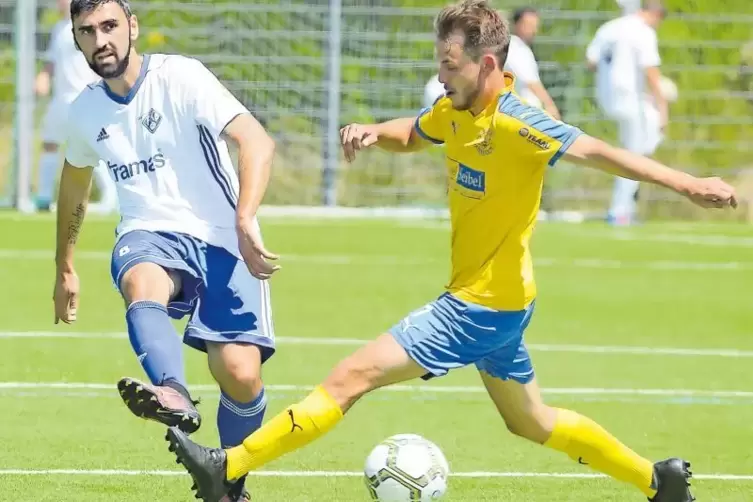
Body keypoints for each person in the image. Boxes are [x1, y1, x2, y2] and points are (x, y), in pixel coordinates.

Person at [165, 1, 736, 501]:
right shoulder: (454, 110)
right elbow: (415, 132)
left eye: (449, 64)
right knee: (531, 421)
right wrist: (370, 130)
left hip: (479, 304)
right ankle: (658, 483)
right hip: (504, 302)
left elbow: (604, 154)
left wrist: (690, 184)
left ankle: (227, 466)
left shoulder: (519, 124)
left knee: (350, 377)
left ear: (487, 64)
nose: (440, 75)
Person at [52, 1, 280, 500]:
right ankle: (172, 390)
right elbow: (74, 181)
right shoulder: (85, 110)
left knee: (240, 374)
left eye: (110, 26)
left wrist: (244, 219)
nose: (100, 40)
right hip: (147, 231)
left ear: (132, 27)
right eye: (87, 31)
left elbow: (256, 140)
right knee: (141, 279)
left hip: (222, 235)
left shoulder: (182, 77)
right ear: (76, 38)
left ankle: (229, 483)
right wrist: (64, 266)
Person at [586, 0, 669, 225]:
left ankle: (624, 204)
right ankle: (620, 210)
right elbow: (651, 71)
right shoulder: (644, 32)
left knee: (639, 144)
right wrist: (663, 107)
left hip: (606, 99)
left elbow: (591, 61)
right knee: (636, 154)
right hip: (629, 101)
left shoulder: (609, 27)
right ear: (656, 14)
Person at [35, 0, 117, 213]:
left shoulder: (88, 26)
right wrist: (44, 76)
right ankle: (43, 198)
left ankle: (111, 196)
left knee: (94, 145)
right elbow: (52, 61)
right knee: (50, 143)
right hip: (60, 99)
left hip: (84, 97)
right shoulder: (58, 29)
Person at [504, 6, 560, 119]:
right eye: (529, 25)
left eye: (535, 26)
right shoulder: (515, 47)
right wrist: (550, 105)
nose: (534, 30)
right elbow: (531, 81)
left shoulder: (522, 47)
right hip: (522, 113)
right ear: (516, 24)